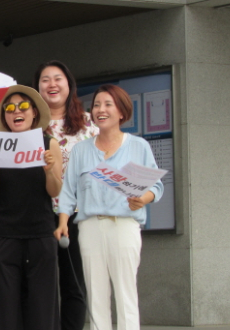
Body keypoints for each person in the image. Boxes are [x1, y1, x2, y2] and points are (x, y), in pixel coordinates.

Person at [55, 84, 164, 330]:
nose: (100, 110)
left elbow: (156, 186)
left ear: (122, 112)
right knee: (95, 295)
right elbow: (68, 190)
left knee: (126, 294)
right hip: (90, 227)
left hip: (124, 225)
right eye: (96, 105)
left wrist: (142, 198)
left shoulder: (138, 146)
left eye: (107, 105)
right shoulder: (82, 150)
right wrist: (63, 222)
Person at [0, 85, 62, 330]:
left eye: (23, 106)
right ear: (4, 116)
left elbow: (55, 191)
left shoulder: (49, 143)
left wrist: (49, 171)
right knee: (5, 308)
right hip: (5, 234)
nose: (16, 111)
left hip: (40, 233)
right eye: (9, 108)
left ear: (34, 112)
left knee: (42, 305)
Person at [33, 60, 98, 330]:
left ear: (69, 85)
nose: (52, 84)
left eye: (57, 78)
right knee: (40, 285)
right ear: (37, 88)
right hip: (38, 214)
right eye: (45, 79)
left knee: (74, 284)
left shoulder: (89, 126)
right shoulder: (28, 125)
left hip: (75, 215)